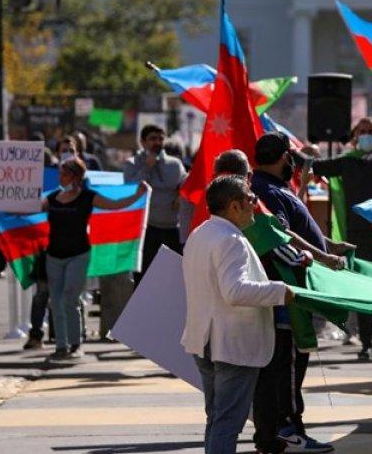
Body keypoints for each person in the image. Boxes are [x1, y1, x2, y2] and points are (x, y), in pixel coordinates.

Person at [251, 132, 349, 454]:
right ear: (283, 157)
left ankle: (280, 431)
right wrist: (322, 257)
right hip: (287, 297)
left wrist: (327, 245)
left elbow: (297, 226)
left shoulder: (276, 188)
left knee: (289, 367)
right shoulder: (265, 189)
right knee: (288, 369)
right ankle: (289, 429)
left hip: (294, 292)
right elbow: (282, 237)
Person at [181, 174, 293, 454]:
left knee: (217, 419)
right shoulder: (231, 239)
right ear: (234, 206)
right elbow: (235, 291)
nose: (254, 205)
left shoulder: (201, 233)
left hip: (205, 340)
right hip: (230, 344)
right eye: (250, 200)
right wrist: (280, 291)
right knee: (228, 422)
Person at [308, 117, 372, 361]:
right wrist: (294, 152)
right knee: (362, 292)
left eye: (371, 131)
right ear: (354, 136)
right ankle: (367, 343)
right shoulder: (348, 162)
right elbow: (316, 166)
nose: (367, 135)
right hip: (358, 234)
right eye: (362, 131)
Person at [42, 158, 148, 361]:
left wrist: (137, 195)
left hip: (78, 255)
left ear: (75, 176)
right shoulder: (53, 198)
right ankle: (60, 346)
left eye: (64, 174)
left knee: (69, 298)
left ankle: (75, 344)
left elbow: (116, 205)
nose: (60, 178)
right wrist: (0, 207)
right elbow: (29, 208)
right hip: (54, 256)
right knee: (56, 301)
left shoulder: (88, 197)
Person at [124, 124, 188, 276]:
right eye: (153, 139)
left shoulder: (174, 164)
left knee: (174, 276)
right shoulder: (132, 164)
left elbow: (186, 184)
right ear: (142, 142)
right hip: (147, 230)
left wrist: (181, 195)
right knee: (144, 277)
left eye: (160, 139)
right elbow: (132, 189)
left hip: (172, 229)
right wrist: (147, 167)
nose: (157, 142)